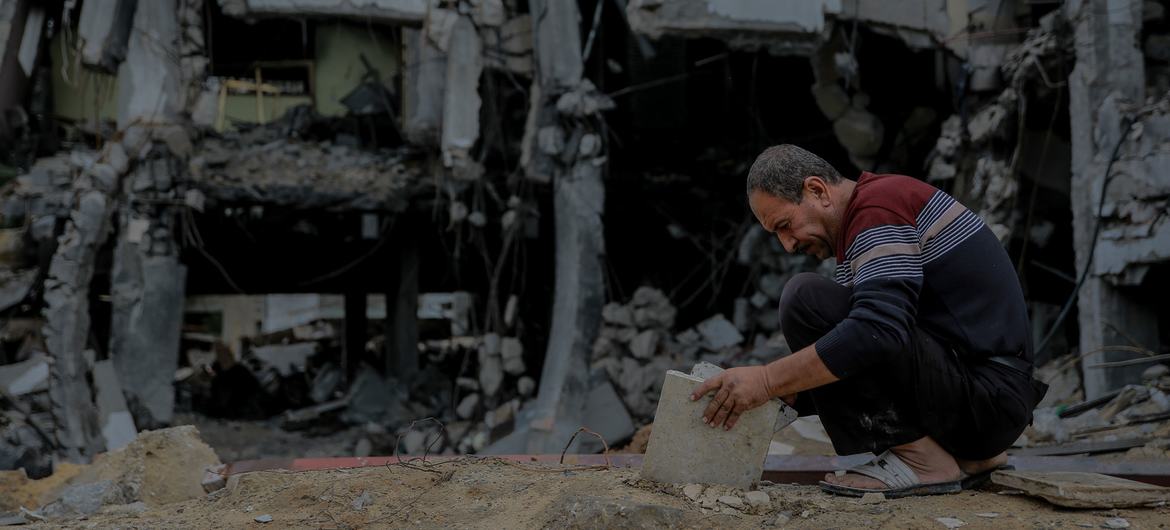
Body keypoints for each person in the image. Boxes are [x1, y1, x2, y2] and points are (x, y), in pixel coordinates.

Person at [691, 144, 1048, 498]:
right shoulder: (869, 219)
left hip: (987, 404)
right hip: (988, 405)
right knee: (838, 326)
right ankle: (969, 458)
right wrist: (777, 393)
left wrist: (768, 380)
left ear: (817, 190)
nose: (788, 245)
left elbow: (878, 332)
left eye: (786, 226)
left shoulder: (877, 207)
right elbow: (866, 367)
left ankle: (924, 462)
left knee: (805, 300)